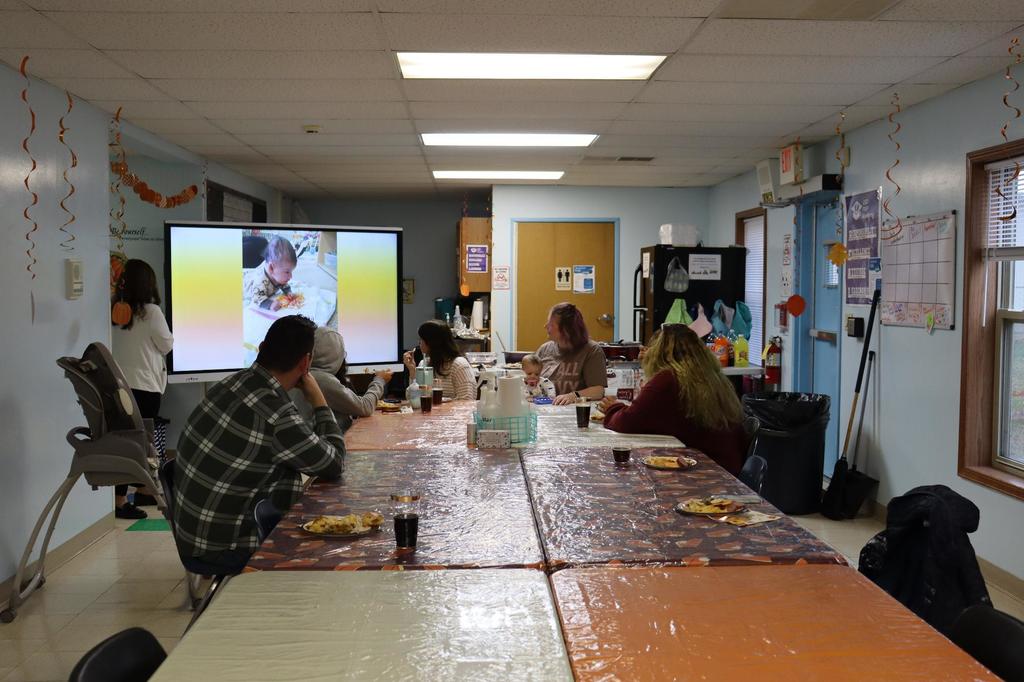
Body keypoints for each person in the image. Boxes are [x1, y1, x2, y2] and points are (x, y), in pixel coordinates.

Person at [174, 315, 344, 575]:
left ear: (262, 347)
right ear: (305, 362)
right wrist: (319, 402)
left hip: (194, 537)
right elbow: (333, 463)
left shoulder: (230, 383)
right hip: (226, 548)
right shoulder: (276, 413)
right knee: (330, 543)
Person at [599, 325, 747, 475]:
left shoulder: (668, 379)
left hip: (705, 469)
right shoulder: (713, 377)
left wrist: (612, 408)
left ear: (659, 353)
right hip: (727, 465)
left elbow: (627, 422)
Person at [110, 259, 173, 520]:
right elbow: (166, 345)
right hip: (146, 386)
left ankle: (136, 493)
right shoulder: (151, 312)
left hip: (118, 386)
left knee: (126, 443)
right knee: (142, 442)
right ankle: (131, 496)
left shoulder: (113, 309)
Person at [299, 326, 392, 431]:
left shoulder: (307, 374)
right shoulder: (322, 379)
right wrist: (379, 380)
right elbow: (365, 407)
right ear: (337, 354)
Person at [536, 302, 608, 405]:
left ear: (565, 329)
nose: (545, 326)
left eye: (551, 324)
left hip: (574, 410)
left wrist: (573, 396)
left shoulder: (592, 350)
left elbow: (598, 391)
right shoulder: (544, 349)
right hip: (544, 408)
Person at [403, 321, 475, 401]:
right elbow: (413, 399)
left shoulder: (459, 365)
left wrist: (442, 403)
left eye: (421, 339)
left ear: (431, 342)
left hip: (453, 410)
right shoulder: (424, 364)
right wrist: (412, 371)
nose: (419, 343)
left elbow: (467, 401)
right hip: (429, 409)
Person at [243, 235, 296, 311]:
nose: (291, 276)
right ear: (271, 268)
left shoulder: (278, 276)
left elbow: (283, 284)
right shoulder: (260, 281)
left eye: (291, 271)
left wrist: (288, 292)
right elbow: (257, 297)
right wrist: (270, 304)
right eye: (287, 272)